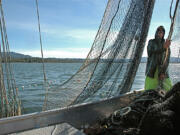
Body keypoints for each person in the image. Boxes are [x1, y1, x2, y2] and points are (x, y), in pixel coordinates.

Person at [145, 26, 172, 91]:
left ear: (163, 34)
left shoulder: (166, 44)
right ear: (156, 32)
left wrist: (163, 72)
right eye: (159, 31)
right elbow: (150, 53)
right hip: (152, 71)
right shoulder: (151, 42)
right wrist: (163, 48)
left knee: (169, 89)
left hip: (163, 71)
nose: (160, 33)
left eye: (162, 32)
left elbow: (167, 60)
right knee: (149, 90)